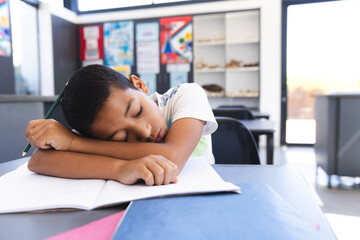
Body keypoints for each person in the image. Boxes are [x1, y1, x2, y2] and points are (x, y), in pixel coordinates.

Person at [26, 64, 217, 186]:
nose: (144, 131)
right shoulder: (102, 125)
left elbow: (172, 157)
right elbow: (39, 161)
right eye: (122, 138)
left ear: (140, 85)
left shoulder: (185, 95)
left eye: (137, 111)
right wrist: (119, 169)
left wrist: (72, 142)